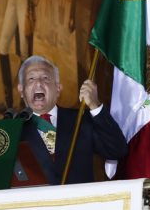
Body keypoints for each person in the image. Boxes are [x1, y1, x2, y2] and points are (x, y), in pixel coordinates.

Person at [16, 55, 127, 184]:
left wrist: (95, 106)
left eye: (45, 78)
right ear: (21, 90)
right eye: (31, 78)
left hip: (79, 202)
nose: (39, 83)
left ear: (58, 88)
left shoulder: (81, 119)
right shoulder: (13, 130)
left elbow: (117, 150)